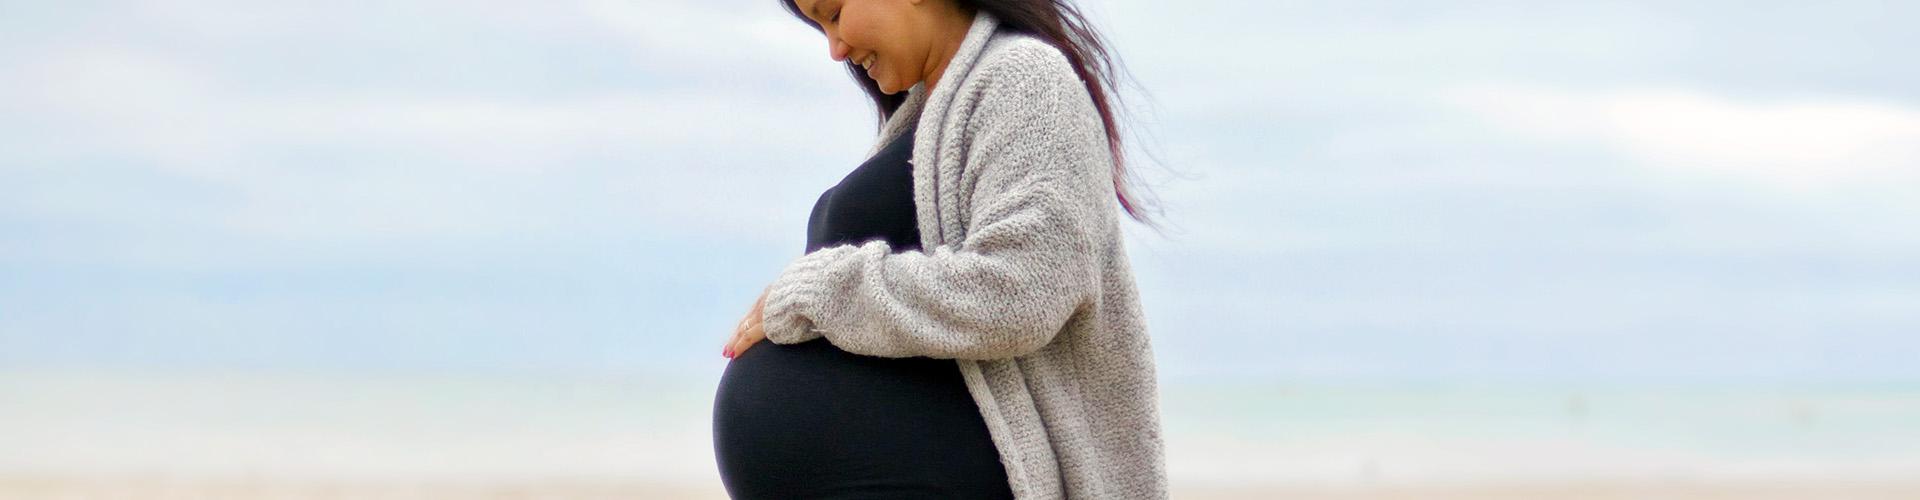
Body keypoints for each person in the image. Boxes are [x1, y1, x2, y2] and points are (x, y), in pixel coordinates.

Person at [713, 1, 1167, 498]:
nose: (835, 49)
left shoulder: (1026, 79)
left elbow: (1020, 293)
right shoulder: (925, 118)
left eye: (835, 13)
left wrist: (820, 291)